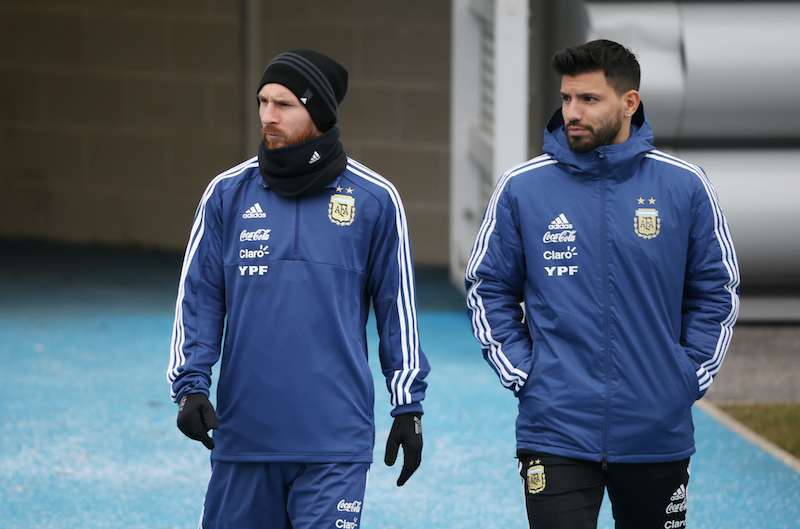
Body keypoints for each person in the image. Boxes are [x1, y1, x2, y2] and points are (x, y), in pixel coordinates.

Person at [465, 39, 739, 529]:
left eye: (589, 99)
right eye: (567, 98)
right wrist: (528, 375)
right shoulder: (522, 187)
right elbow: (488, 288)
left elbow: (716, 290)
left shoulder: (685, 186)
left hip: (656, 432)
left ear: (629, 102)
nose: (572, 112)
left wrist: (684, 376)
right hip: (556, 430)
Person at [167, 48, 430, 529]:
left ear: (319, 112)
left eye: (284, 104)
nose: (268, 115)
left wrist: (408, 406)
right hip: (245, 437)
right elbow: (200, 299)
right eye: (263, 101)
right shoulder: (226, 194)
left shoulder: (375, 199)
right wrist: (190, 386)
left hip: (335, 442)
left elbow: (399, 311)